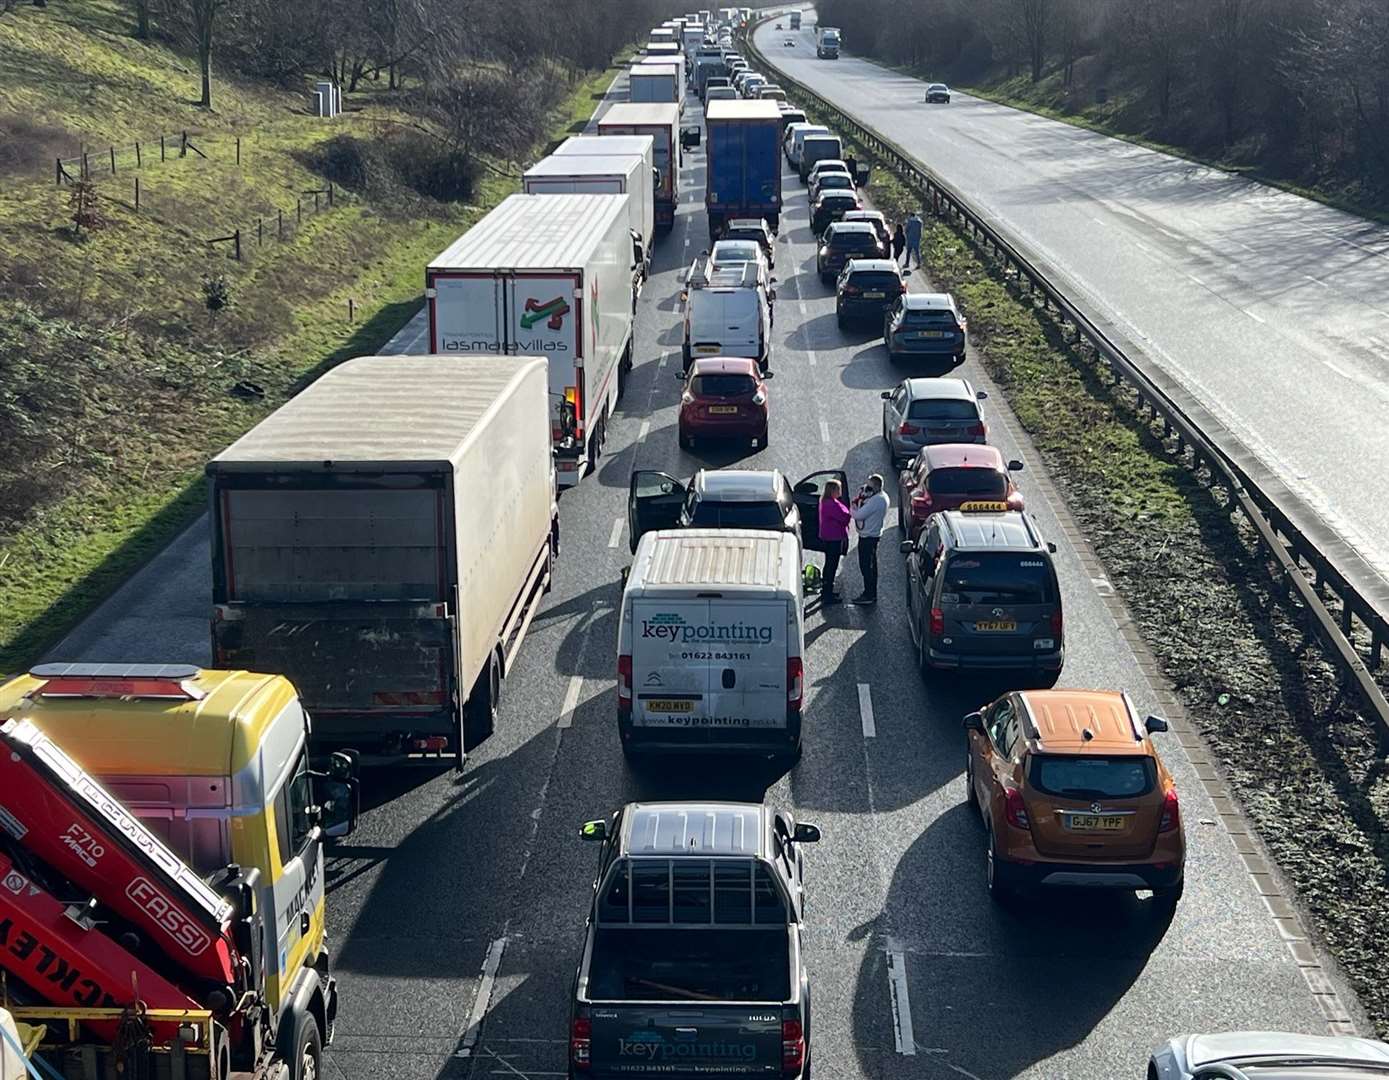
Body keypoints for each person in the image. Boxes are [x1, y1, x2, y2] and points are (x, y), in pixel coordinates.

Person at [850, 474, 889, 605]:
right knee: (872, 566)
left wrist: (853, 506)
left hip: (868, 537)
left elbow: (858, 515)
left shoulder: (876, 501)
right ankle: (871, 593)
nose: (867, 489)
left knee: (866, 566)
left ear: (877, 487)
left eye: (870, 487)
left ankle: (869, 594)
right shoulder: (881, 497)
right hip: (873, 535)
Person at [818, 479, 851, 605]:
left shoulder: (826, 501)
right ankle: (828, 593)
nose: (840, 491)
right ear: (832, 491)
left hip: (829, 536)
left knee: (829, 563)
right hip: (834, 537)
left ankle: (827, 589)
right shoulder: (831, 504)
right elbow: (845, 517)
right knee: (832, 565)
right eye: (838, 489)